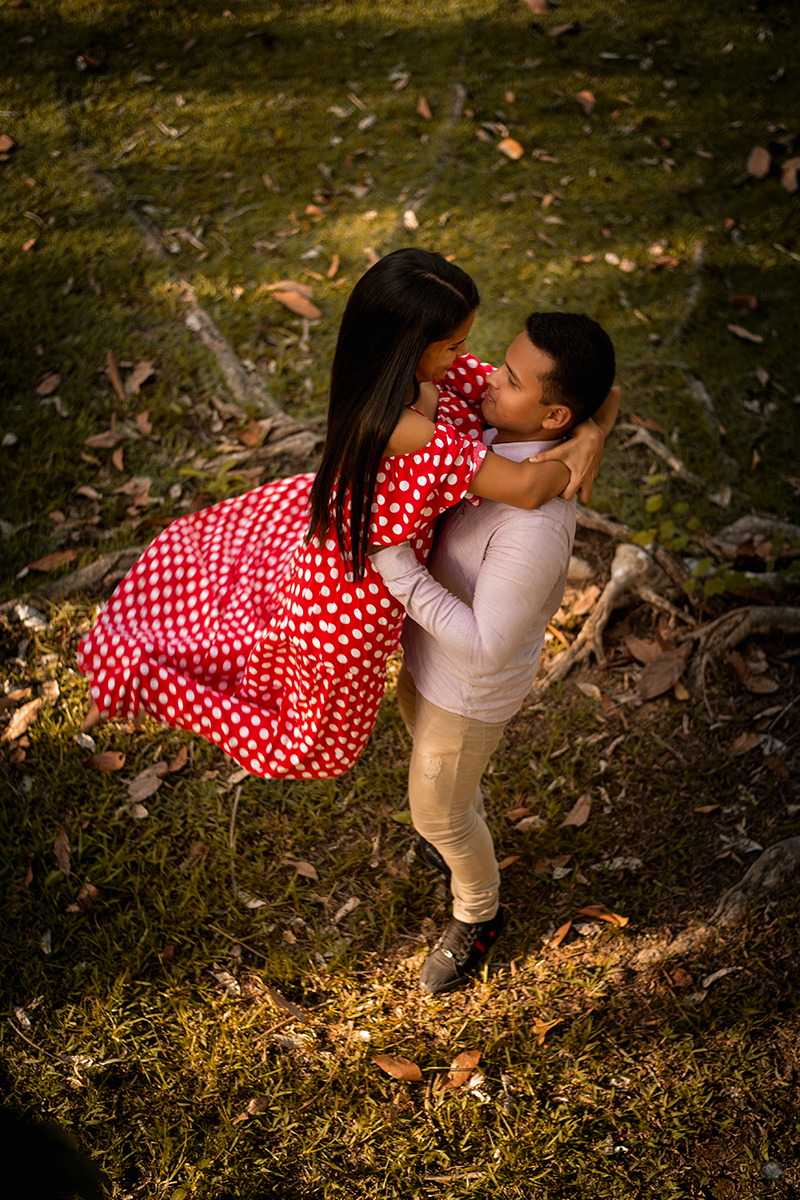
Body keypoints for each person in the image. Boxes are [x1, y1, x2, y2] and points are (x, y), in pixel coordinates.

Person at [77, 251, 610, 782]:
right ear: (414, 348)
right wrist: (583, 440)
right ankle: (140, 678)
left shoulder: (407, 375)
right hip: (351, 604)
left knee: (257, 646)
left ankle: (149, 669)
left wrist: (590, 429)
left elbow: (595, 390)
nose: (472, 360)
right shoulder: (406, 428)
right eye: (454, 345)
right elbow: (525, 486)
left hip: (333, 554)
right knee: (305, 738)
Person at [372, 311, 617, 994]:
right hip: (426, 655)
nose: (488, 379)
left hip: (466, 690)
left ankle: (478, 913)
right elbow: (605, 397)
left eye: (510, 379)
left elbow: (486, 647)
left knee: (437, 812)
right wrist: (595, 428)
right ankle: (463, 818)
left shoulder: (535, 531)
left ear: (554, 415)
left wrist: (394, 564)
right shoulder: (495, 435)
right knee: (440, 775)